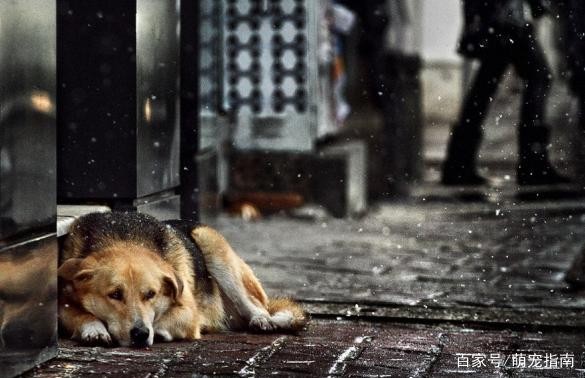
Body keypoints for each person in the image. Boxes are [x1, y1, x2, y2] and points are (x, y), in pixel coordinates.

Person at [442, 0, 571, 186]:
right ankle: (532, 161)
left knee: (486, 84)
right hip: (507, 18)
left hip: (500, 18)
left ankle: (459, 162)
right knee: (537, 76)